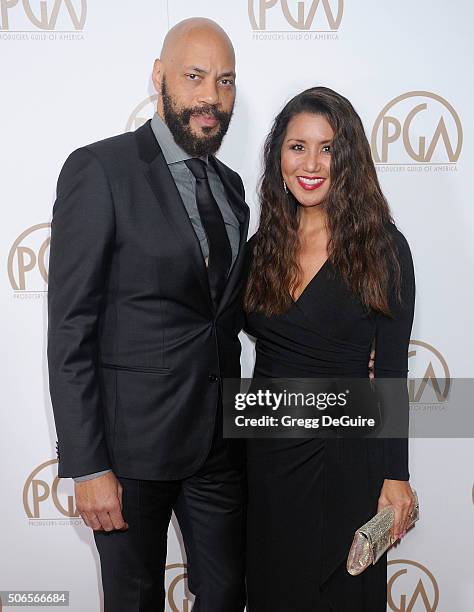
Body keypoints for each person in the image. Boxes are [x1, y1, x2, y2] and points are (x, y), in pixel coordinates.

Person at [47, 18, 249, 612]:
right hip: (130, 455)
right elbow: (70, 330)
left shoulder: (233, 188)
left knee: (226, 595)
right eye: (195, 77)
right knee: (134, 601)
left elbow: (225, 313)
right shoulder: (100, 171)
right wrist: (87, 467)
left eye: (226, 81)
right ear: (159, 77)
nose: (211, 96)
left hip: (219, 444)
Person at [243, 86, 417, 611]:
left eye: (328, 148)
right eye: (298, 147)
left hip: (348, 461)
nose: (312, 163)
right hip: (267, 459)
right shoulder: (260, 249)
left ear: (350, 159)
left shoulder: (384, 249)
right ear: (279, 156)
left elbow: (389, 374)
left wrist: (396, 476)